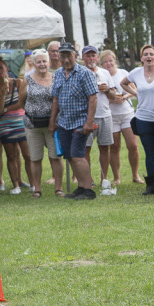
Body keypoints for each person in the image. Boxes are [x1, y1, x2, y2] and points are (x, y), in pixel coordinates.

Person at [121, 44, 154, 195]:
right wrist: (136, 92)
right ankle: (151, 185)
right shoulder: (136, 73)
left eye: (152, 54)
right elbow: (123, 83)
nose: (149, 57)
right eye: (146, 54)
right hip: (143, 118)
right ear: (141, 58)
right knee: (149, 153)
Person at [49, 43, 98, 200]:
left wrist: (89, 122)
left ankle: (89, 190)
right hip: (63, 122)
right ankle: (81, 187)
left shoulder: (85, 73)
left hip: (80, 121)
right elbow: (55, 100)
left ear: (75, 56)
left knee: (77, 155)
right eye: (62, 56)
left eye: (68, 55)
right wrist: (52, 121)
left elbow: (93, 98)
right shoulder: (57, 74)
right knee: (69, 156)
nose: (65, 59)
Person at [0, 57, 30, 194]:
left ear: (6, 69)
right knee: (11, 155)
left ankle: (33, 183)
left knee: (27, 154)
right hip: (5, 125)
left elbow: (21, 103)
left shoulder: (19, 82)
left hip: (21, 121)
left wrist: (4, 110)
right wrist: (2, 95)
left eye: (1, 68)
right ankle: (16, 185)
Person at [23, 49, 63, 198]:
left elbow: (58, 99)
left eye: (44, 61)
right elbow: (22, 100)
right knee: (35, 157)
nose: (42, 64)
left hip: (53, 125)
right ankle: (37, 189)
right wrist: (32, 113)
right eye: (38, 62)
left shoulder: (56, 78)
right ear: (33, 63)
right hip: (33, 125)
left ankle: (58, 188)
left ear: (48, 62)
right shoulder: (27, 80)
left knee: (55, 156)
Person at [101, 49, 142, 186]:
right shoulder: (102, 76)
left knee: (133, 145)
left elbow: (134, 90)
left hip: (127, 113)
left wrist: (125, 96)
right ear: (102, 64)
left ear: (115, 61)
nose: (108, 64)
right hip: (111, 115)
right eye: (105, 62)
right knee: (114, 146)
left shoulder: (123, 73)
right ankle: (117, 177)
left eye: (110, 61)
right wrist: (111, 100)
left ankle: (135, 175)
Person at [81, 45, 116, 195]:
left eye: (93, 55)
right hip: (87, 116)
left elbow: (114, 95)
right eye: (87, 56)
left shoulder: (105, 73)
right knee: (85, 149)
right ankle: (88, 180)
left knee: (105, 148)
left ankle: (104, 179)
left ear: (97, 57)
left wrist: (107, 90)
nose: (91, 59)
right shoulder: (81, 73)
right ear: (83, 58)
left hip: (105, 115)